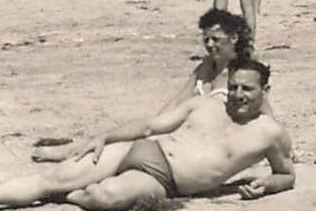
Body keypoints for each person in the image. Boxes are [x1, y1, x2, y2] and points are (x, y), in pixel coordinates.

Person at [0, 60, 292, 211]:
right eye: (235, 86)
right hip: (142, 149)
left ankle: (68, 195)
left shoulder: (270, 133)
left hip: (165, 180)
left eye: (247, 89)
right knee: (48, 181)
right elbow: (151, 126)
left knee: (104, 196)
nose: (237, 95)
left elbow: (286, 175)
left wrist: (268, 185)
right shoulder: (206, 102)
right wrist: (106, 137)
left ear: (264, 92)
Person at [29, 9, 254, 165]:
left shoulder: (243, 72)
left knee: (125, 151)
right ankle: (78, 150)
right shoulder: (207, 65)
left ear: (233, 38)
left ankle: (72, 153)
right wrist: (153, 128)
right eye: (206, 39)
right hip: (182, 129)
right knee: (132, 140)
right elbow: (177, 101)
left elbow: (263, 111)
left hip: (207, 142)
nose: (209, 45)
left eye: (215, 39)